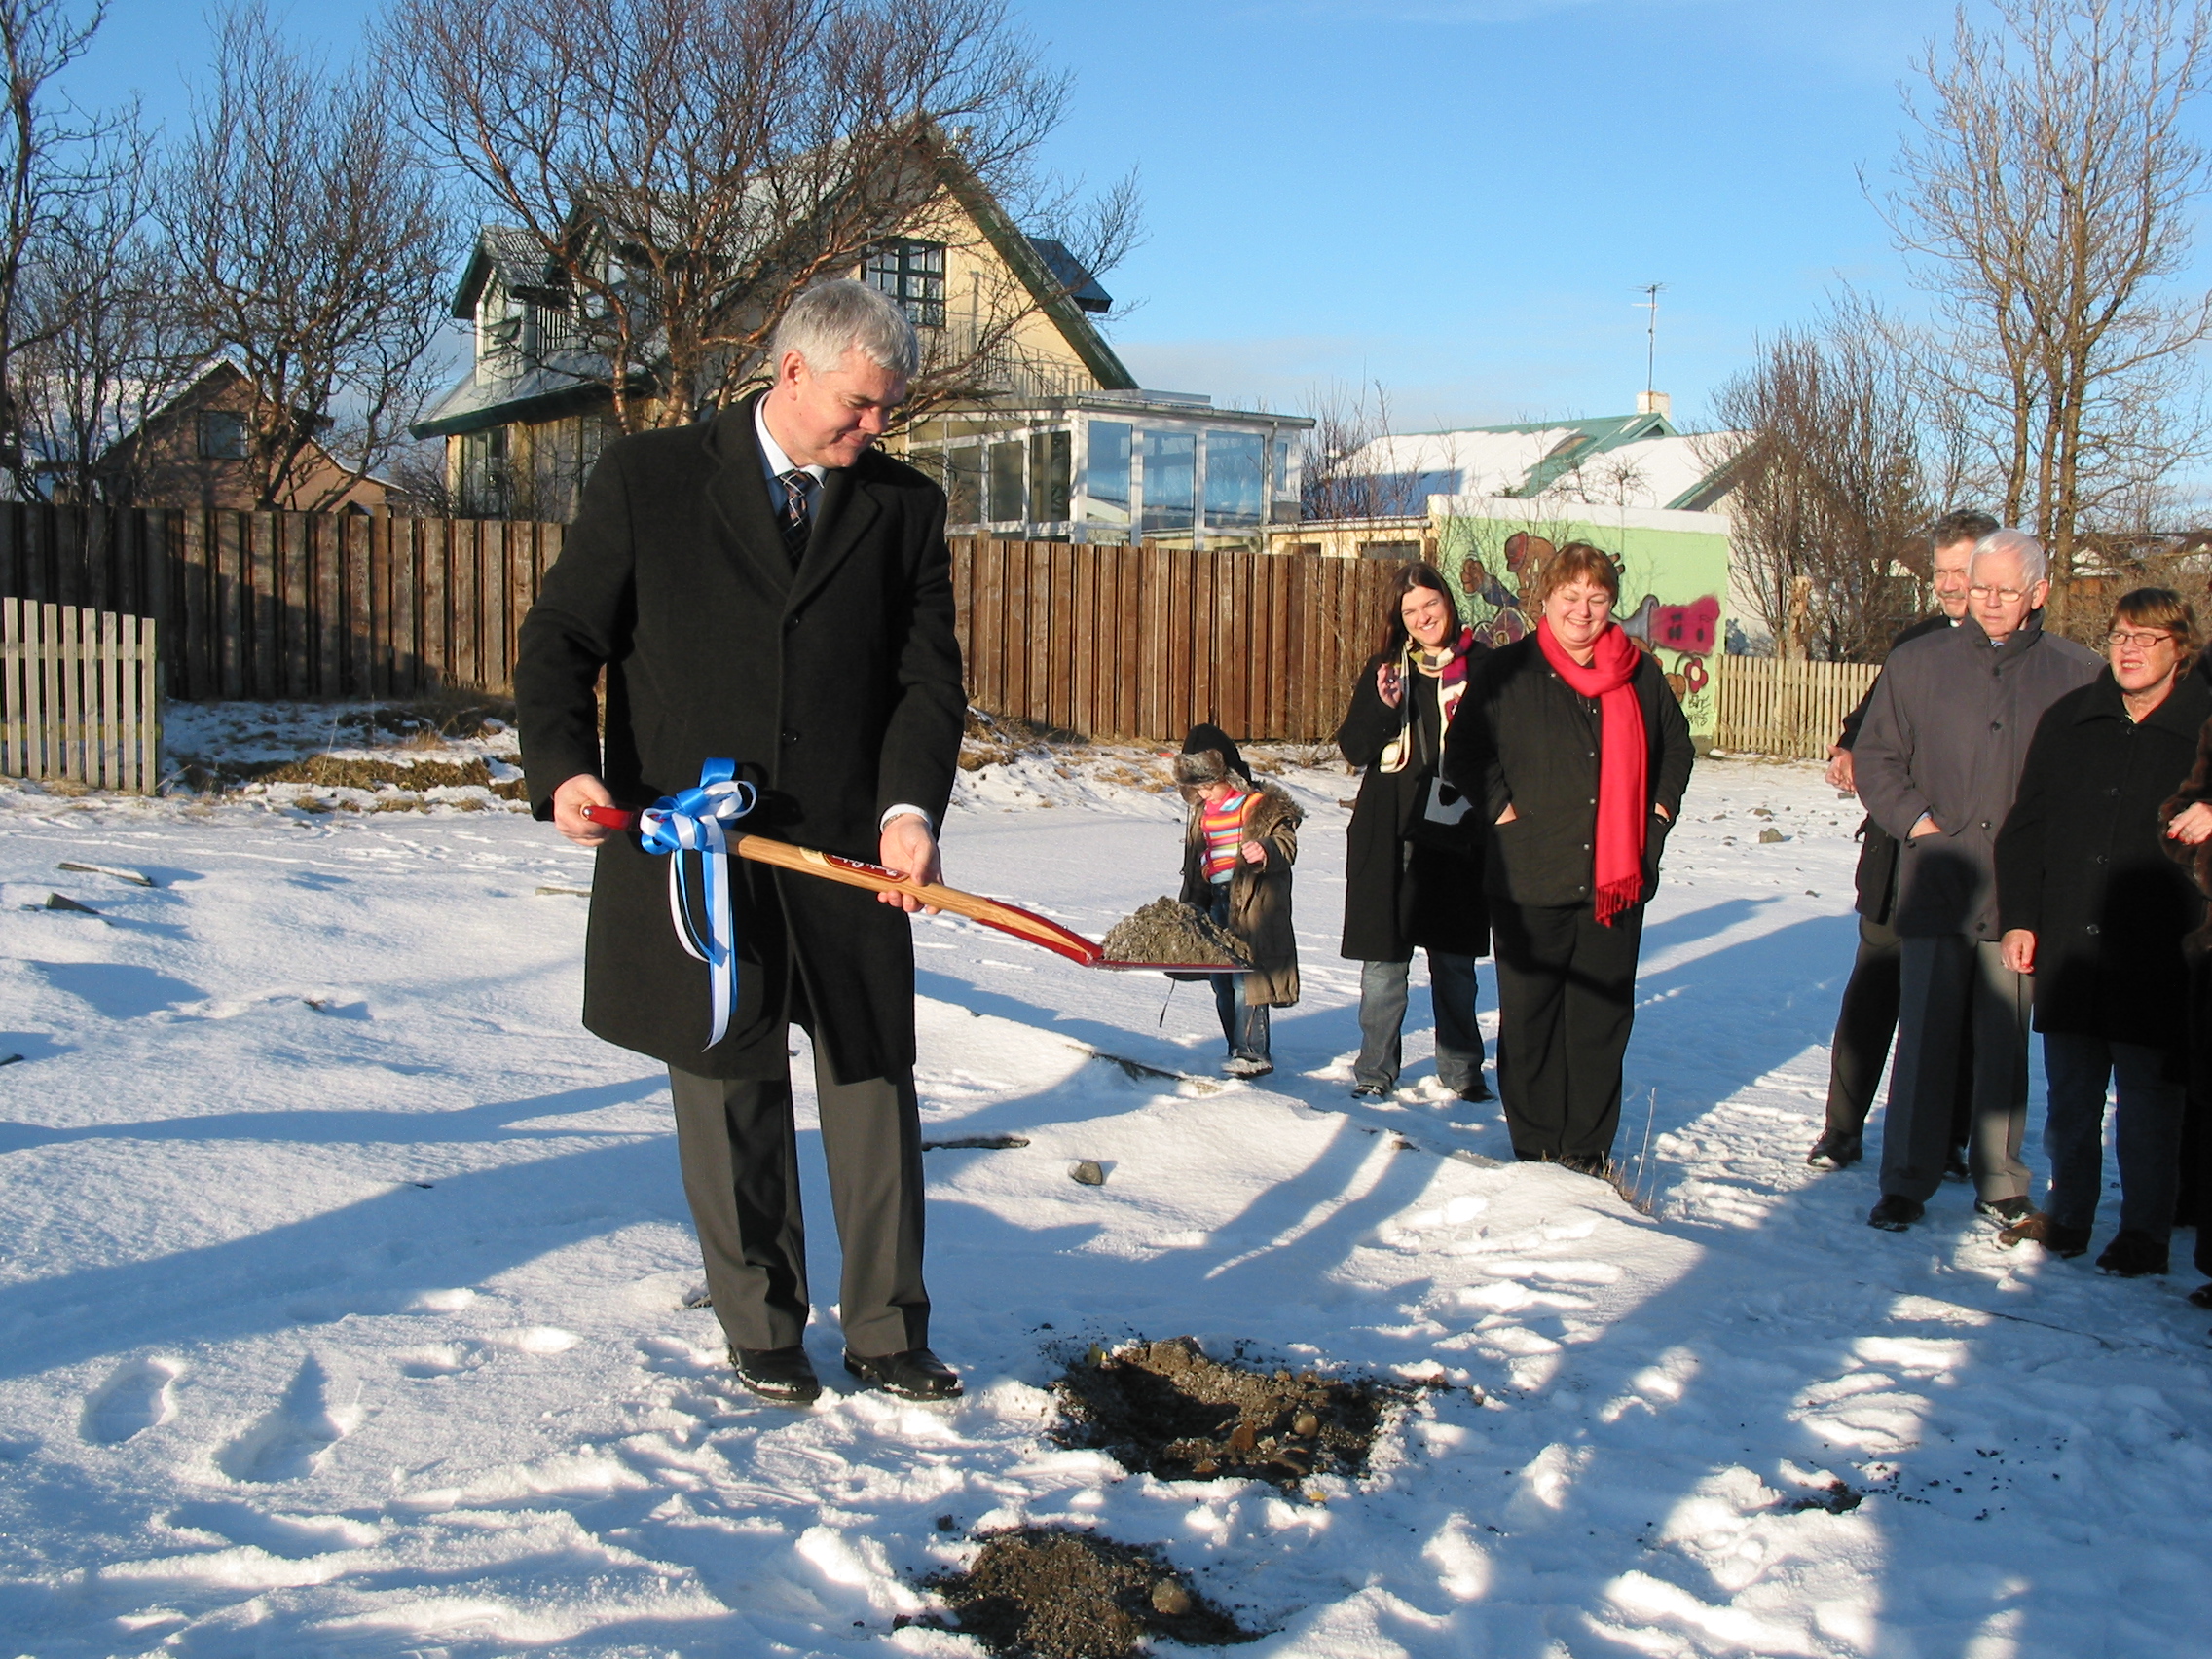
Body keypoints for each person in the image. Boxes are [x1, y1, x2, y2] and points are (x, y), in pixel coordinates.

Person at [512, 280, 968, 1407]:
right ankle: (762, 1324)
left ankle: (887, 1328)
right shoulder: (650, 479)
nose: (873, 431)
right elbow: (562, 636)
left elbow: (926, 681)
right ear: (793, 373)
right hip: (694, 852)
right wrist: (565, 765)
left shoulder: (903, 506)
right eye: (859, 407)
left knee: (871, 1077)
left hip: (847, 853)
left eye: (887, 413)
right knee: (727, 1076)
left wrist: (911, 812)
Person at [1852, 529, 2102, 1233]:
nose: (1988, 602)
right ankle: (1906, 1177)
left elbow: (2082, 785)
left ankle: (2001, 1176)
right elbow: (1877, 758)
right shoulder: (1917, 662)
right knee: (1925, 1037)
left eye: (2006, 591)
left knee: (2004, 1039)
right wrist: (1921, 824)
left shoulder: (2076, 674)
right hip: (1937, 883)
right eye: (1979, 587)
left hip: (2022, 895)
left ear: (2039, 595)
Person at [1443, 542, 1695, 1172]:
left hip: (1617, 877)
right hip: (1530, 874)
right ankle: (1535, 1143)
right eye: (1570, 597)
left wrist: (1656, 820)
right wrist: (1505, 814)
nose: (1583, 611)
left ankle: (1586, 1148)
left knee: (1600, 1019)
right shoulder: (1507, 672)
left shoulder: (1640, 673)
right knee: (1531, 1017)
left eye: (1597, 598)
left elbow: (1676, 749)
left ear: (1611, 604)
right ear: (1546, 600)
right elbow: (1466, 753)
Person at [1991, 590, 2208, 1275]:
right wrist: (2021, 917)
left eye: (2147, 637)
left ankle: (2145, 1232)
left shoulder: (2204, 727)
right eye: (2119, 635)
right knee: (2072, 1099)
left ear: (2182, 649)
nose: (2130, 649)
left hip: (2161, 949)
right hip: (2071, 943)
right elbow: (2025, 828)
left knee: (2148, 1102)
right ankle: (2072, 1212)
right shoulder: (2070, 720)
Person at [1808, 509, 1998, 1172]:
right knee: (1874, 990)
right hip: (1895, 854)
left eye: (1963, 572)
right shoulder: (1916, 642)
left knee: (1964, 1006)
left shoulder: (2015, 655)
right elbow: (1870, 714)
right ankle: (1843, 1127)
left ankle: (1947, 1137)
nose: (1950, 585)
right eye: (1941, 571)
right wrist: (1847, 745)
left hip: (1971, 863)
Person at [1334, 564, 1493, 1102]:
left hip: (1455, 833)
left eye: (1431, 604)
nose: (1423, 618)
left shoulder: (1484, 669)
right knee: (1384, 964)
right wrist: (1383, 707)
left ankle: (1463, 1071)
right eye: (1411, 611)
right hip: (1389, 832)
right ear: (1399, 620)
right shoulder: (1387, 671)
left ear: (1448, 603)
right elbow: (1354, 750)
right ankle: (1375, 1072)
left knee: (1453, 963)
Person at [1173, 724, 1301, 1078]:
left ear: (1229, 775)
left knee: (1248, 979)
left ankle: (1253, 1052)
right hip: (1215, 900)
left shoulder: (1259, 806)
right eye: (1197, 787)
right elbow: (1202, 853)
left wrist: (1266, 850)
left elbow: (1286, 843)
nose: (1205, 793)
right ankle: (1234, 1045)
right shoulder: (1203, 811)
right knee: (1221, 978)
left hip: (1250, 903)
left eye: (1209, 785)